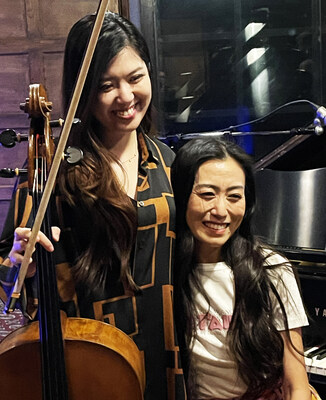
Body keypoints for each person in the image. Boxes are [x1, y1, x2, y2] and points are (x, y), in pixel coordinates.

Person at [0, 12, 186, 400]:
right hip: (91, 365)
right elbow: (6, 287)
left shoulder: (167, 161)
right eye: (106, 85)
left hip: (164, 350)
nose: (126, 96)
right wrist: (20, 263)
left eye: (136, 78)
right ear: (84, 92)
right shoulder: (54, 170)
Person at [171, 137, 311, 400]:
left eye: (234, 196)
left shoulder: (272, 269)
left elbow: (296, 384)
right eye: (207, 194)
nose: (221, 211)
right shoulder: (164, 269)